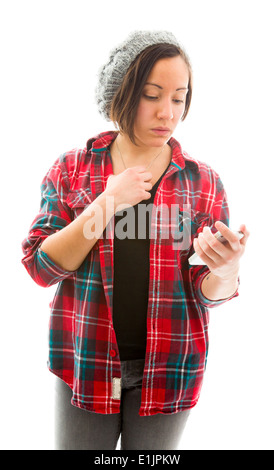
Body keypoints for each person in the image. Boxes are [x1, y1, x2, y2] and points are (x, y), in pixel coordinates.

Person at [21, 30, 249, 450]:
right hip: (86, 362)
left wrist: (227, 269)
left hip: (170, 368)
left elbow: (209, 293)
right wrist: (106, 203)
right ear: (121, 94)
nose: (168, 112)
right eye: (151, 95)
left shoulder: (202, 182)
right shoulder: (73, 169)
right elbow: (40, 267)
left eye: (179, 98)